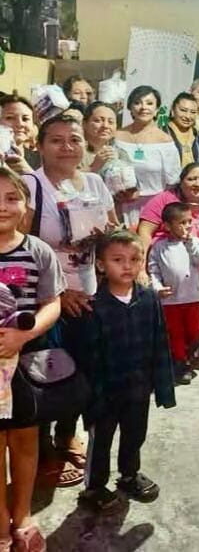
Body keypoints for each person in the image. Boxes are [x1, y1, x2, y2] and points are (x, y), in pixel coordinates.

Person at [22, 114, 118, 489]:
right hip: (44, 298)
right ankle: (42, 447)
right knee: (44, 371)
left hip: (90, 293)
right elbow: (19, 247)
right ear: (40, 146)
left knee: (83, 369)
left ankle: (67, 434)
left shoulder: (95, 183)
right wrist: (60, 294)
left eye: (74, 139)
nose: (67, 147)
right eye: (56, 140)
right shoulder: (31, 185)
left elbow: (113, 234)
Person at [74, 230, 175, 514]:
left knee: (135, 434)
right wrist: (91, 398)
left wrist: (161, 386)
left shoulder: (149, 299)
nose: (127, 266)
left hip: (138, 387)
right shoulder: (93, 306)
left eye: (134, 259)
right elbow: (88, 358)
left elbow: (159, 341)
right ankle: (94, 487)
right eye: (117, 260)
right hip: (105, 393)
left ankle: (129, 475)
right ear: (101, 264)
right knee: (101, 440)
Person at [0, 167, 65, 552]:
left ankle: (22, 514)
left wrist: (23, 335)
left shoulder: (38, 250)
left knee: (25, 440)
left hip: (25, 365)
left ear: (26, 205)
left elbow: (52, 303)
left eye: (12, 198)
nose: (2, 207)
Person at [138, 162, 199, 362]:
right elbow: (144, 232)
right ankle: (173, 347)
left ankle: (191, 342)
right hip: (165, 266)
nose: (198, 183)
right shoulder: (164, 199)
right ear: (181, 182)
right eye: (192, 178)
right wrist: (140, 268)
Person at [148, 203, 199, 385]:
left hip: (192, 297)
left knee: (194, 330)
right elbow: (153, 270)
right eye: (182, 222)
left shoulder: (195, 242)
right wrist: (157, 287)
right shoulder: (159, 247)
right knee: (175, 333)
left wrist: (190, 243)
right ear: (167, 226)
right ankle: (180, 363)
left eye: (189, 221)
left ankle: (189, 352)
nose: (187, 226)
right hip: (170, 300)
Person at [116, 85, 181, 227]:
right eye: (137, 102)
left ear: (157, 109)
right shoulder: (117, 136)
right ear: (130, 107)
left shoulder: (165, 141)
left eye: (149, 103)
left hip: (153, 209)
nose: (143, 107)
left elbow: (173, 183)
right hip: (120, 206)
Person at [82, 101, 132, 175]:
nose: (105, 126)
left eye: (110, 122)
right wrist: (92, 167)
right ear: (84, 123)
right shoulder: (74, 151)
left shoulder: (120, 154)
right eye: (98, 120)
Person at [163, 92, 199, 167]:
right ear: (172, 110)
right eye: (183, 110)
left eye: (193, 112)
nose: (188, 116)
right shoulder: (162, 133)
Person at [0, 94, 40, 174]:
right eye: (10, 118)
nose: (20, 124)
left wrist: (29, 173)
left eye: (25, 119)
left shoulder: (42, 159)